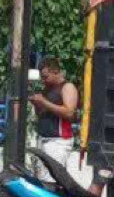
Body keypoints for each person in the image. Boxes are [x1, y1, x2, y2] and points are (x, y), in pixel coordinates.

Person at [27, 57, 79, 185]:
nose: (44, 80)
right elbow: (44, 114)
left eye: (46, 77)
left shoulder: (67, 87)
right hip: (44, 138)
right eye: (42, 77)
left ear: (55, 71)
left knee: (51, 180)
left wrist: (44, 102)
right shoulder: (47, 89)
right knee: (42, 178)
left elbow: (69, 112)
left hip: (58, 141)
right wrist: (37, 104)